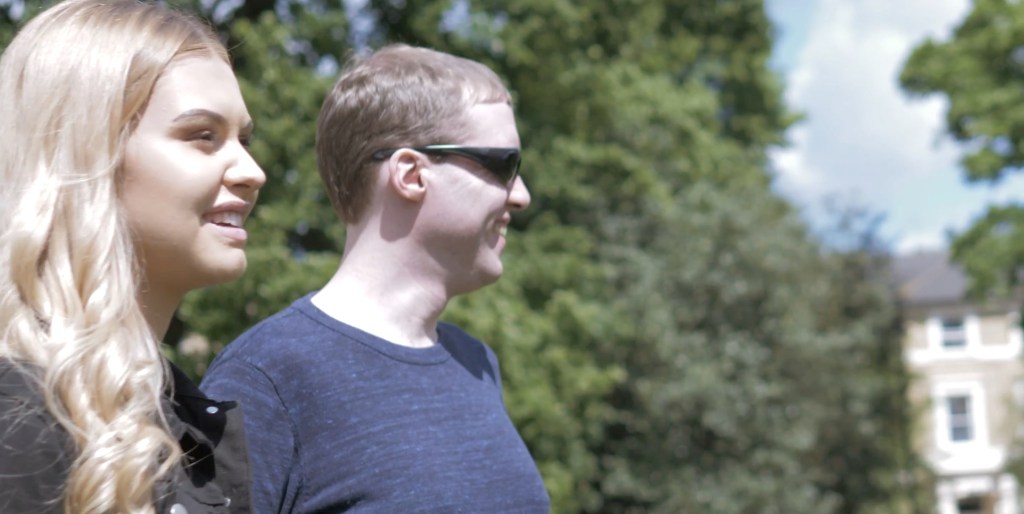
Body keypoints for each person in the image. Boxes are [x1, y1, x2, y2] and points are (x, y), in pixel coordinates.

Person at [200, 44, 550, 513]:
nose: (521, 196)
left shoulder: (476, 362)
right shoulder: (267, 379)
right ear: (410, 173)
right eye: (504, 166)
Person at [0, 1, 266, 513]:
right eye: (202, 136)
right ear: (87, 153)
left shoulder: (190, 426)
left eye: (244, 138)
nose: (252, 171)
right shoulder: (17, 425)